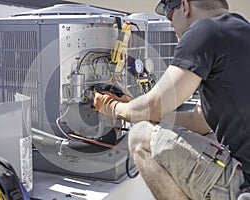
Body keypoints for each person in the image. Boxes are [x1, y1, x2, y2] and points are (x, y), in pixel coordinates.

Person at [92, 0, 250, 199]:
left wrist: (114, 108)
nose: (171, 25)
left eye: (168, 14)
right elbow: (198, 121)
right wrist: (134, 106)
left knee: (141, 137)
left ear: (185, 6)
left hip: (244, 183)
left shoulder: (204, 30)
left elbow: (155, 104)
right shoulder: (242, 30)